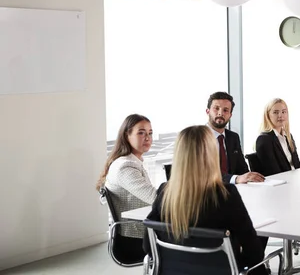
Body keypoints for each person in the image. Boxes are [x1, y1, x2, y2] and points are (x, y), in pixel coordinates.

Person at [143, 126, 268, 275]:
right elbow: (254, 253)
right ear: (211, 155)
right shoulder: (226, 195)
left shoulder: (165, 192)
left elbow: (148, 246)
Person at [96, 114, 157, 259]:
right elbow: (155, 198)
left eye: (150, 133)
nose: (147, 137)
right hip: (135, 238)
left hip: (142, 233)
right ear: (126, 135)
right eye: (141, 133)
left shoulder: (133, 161)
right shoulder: (126, 166)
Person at [206, 91, 264, 184]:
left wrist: (250, 178)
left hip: (234, 190)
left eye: (225, 110)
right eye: (216, 108)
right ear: (207, 111)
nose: (220, 113)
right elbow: (204, 173)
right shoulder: (197, 138)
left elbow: (242, 169)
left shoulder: (233, 137)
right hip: (207, 191)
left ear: (230, 115)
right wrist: (236, 179)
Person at [255, 98, 300, 176]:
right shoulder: (264, 140)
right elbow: (273, 172)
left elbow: (298, 166)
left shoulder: (289, 136)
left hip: (294, 180)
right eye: (275, 112)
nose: (280, 115)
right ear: (268, 115)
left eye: (283, 112)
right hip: (281, 183)